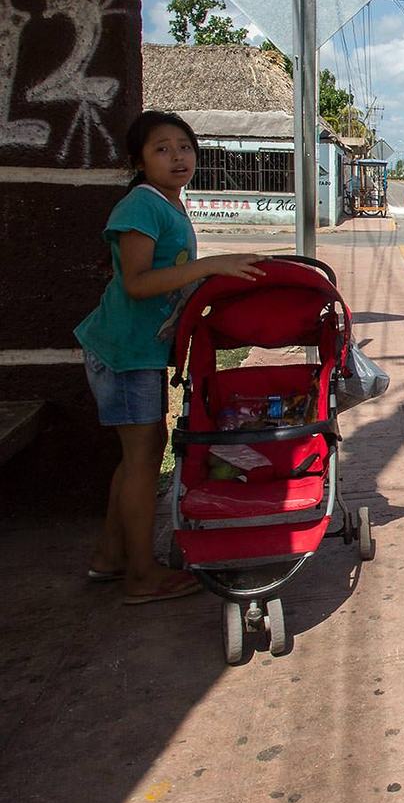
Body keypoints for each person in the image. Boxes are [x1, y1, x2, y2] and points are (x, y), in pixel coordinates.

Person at [76, 111, 266, 605]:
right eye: (162, 148)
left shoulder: (168, 204)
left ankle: (112, 556)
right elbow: (136, 283)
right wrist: (209, 267)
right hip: (122, 352)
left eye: (184, 146)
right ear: (139, 160)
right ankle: (141, 574)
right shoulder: (141, 206)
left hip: (138, 352)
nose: (177, 156)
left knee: (139, 454)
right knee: (142, 459)